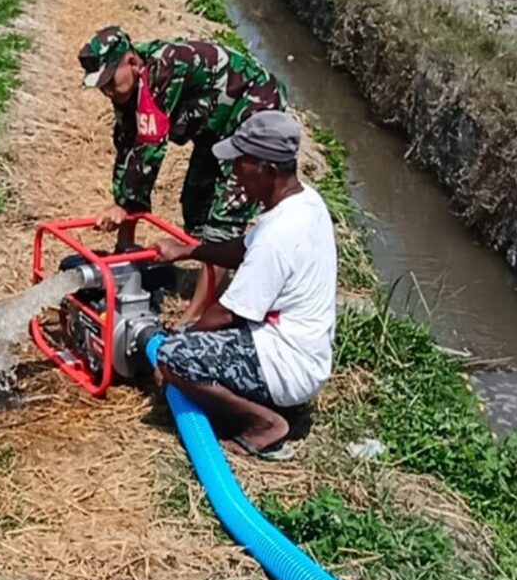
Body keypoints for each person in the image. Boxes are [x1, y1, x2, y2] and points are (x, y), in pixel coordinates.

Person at [150, 110, 337, 461]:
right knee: (189, 345)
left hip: (287, 364)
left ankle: (265, 423)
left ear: (267, 170)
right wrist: (187, 250)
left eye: (241, 163)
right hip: (303, 352)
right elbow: (242, 248)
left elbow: (224, 315)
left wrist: (182, 343)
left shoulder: (280, 236)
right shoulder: (304, 202)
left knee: (173, 357)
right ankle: (264, 404)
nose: (234, 172)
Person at [78, 25, 286, 324]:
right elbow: (127, 146)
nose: (107, 91)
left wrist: (125, 204)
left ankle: (195, 318)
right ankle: (210, 274)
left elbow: (149, 148)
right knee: (195, 201)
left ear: (132, 63)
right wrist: (122, 246)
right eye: (102, 86)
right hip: (213, 124)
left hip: (251, 108)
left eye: (110, 82)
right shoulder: (130, 87)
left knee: (225, 214)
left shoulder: (162, 72)